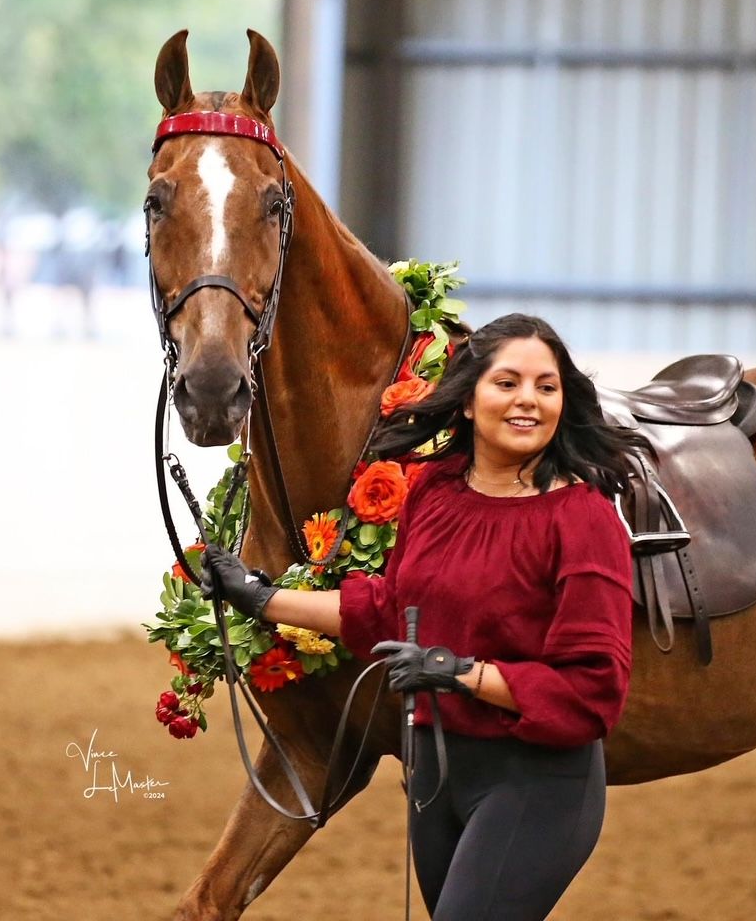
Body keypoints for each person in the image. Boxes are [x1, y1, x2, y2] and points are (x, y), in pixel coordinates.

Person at [201, 313, 648, 921]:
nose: (528, 401)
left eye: (547, 387)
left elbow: (594, 690)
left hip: (534, 785)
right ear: (467, 401)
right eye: (508, 382)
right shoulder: (435, 490)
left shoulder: (583, 520)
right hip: (436, 777)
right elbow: (389, 609)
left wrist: (459, 672)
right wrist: (258, 595)